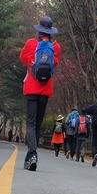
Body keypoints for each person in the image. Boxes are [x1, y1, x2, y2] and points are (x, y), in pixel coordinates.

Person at [19, 16, 62, 171]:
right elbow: (55, 63)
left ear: (39, 30)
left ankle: (32, 154)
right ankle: (32, 155)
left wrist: (32, 59)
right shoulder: (55, 47)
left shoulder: (31, 43)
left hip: (31, 87)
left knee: (30, 122)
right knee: (37, 123)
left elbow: (22, 57)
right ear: (50, 31)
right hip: (45, 90)